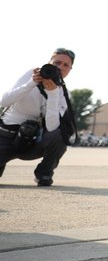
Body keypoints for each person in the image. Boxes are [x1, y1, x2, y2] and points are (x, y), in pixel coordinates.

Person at [0, 48, 77, 186]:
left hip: (36, 141)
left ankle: (44, 174)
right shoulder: (31, 75)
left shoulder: (64, 94)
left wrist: (53, 94)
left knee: (60, 135)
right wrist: (30, 84)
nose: (60, 67)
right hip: (8, 137)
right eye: (57, 62)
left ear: (70, 70)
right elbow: (3, 102)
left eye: (66, 65)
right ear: (49, 62)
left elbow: (53, 127)